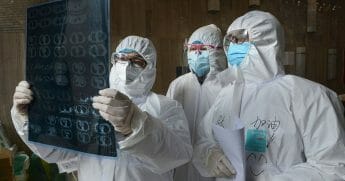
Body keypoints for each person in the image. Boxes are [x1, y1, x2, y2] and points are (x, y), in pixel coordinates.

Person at [11, 35, 193, 181]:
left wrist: (135, 123)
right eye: (120, 58)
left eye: (137, 61)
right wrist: (31, 119)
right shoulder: (89, 103)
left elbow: (177, 155)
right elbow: (58, 152)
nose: (126, 66)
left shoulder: (166, 107)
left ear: (151, 67)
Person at [193, 10, 345, 180]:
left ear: (265, 42)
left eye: (240, 39)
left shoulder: (309, 97)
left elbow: (334, 167)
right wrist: (209, 155)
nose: (234, 47)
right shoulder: (227, 95)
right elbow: (203, 138)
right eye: (230, 41)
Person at [166, 24, 232, 181]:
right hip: (181, 167)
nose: (196, 54)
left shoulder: (228, 86)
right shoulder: (178, 85)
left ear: (216, 51)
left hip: (215, 167)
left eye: (202, 49)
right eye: (192, 49)